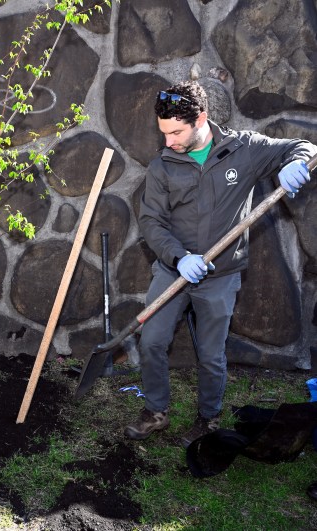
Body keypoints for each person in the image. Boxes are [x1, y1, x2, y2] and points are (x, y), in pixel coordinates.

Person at [124, 80, 315, 448]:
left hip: (220, 276)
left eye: (176, 132)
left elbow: (303, 146)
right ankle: (155, 411)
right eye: (164, 132)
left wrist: (295, 163)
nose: (169, 141)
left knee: (211, 356)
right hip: (172, 268)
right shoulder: (163, 166)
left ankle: (207, 419)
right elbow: (152, 223)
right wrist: (179, 258)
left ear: (202, 119)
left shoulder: (243, 150)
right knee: (151, 341)